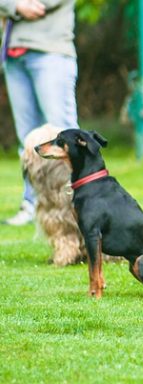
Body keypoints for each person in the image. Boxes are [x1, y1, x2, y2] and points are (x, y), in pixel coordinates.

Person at [0, 0, 78, 225]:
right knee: (27, 140)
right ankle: (32, 204)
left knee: (65, 135)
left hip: (50, 51)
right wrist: (15, 5)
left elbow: (40, 5)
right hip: (13, 55)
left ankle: (79, 201)